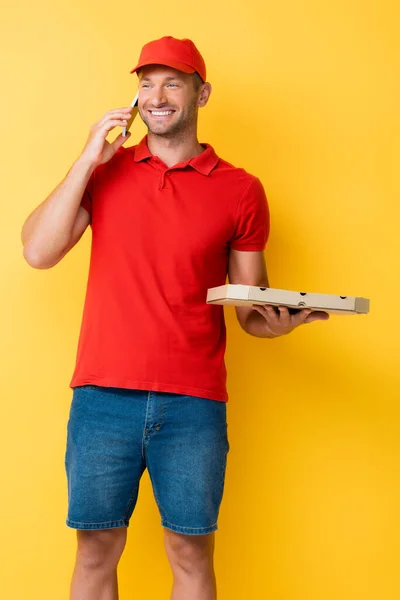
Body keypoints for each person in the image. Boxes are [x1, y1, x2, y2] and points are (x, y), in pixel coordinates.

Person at [21, 36, 328, 600]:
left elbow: (248, 307)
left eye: (173, 82)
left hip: (194, 401)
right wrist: (89, 155)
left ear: (200, 93)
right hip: (102, 396)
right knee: (95, 549)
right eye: (145, 83)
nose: (156, 95)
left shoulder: (241, 190)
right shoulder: (105, 173)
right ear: (135, 97)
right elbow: (39, 252)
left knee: (190, 550)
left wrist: (275, 322)